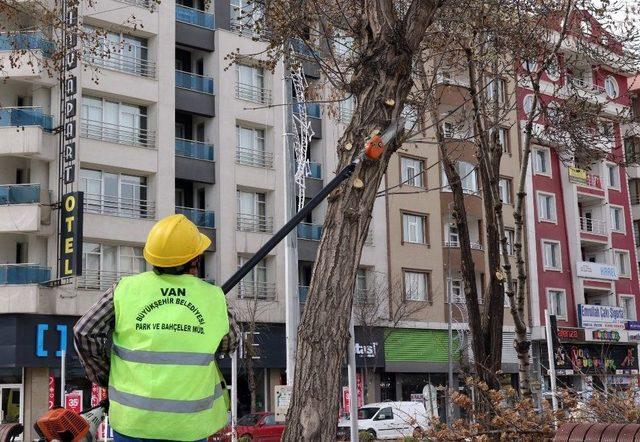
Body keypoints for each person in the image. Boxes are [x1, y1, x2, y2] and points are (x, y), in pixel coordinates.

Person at [74, 214, 239, 442]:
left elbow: (84, 331)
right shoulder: (214, 297)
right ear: (194, 260)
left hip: (132, 423)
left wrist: (105, 376)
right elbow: (231, 342)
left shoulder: (124, 290)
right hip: (190, 427)